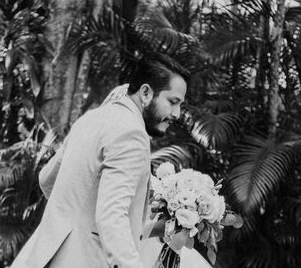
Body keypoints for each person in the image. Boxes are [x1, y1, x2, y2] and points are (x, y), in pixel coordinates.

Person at [10, 53, 189, 268]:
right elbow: (112, 218)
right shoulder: (132, 133)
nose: (177, 113)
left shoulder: (91, 119)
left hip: (46, 257)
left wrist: (74, 218)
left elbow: (46, 179)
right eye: (173, 102)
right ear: (145, 92)